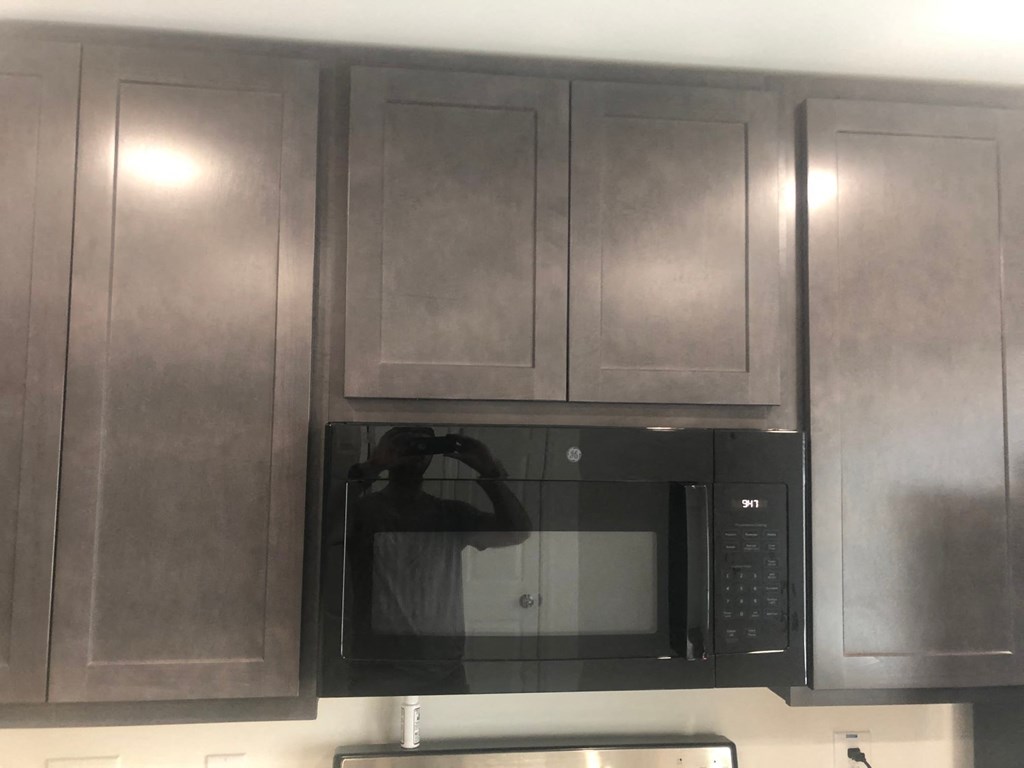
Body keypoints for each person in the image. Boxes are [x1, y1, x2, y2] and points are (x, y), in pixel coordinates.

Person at [340, 426, 531, 693]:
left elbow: (516, 532)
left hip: (443, 666)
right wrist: (372, 466)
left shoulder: (451, 514)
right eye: (404, 445)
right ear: (386, 450)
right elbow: (322, 529)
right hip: (379, 665)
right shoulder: (363, 511)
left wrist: (490, 472)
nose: (415, 452)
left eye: (424, 446)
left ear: (431, 456)